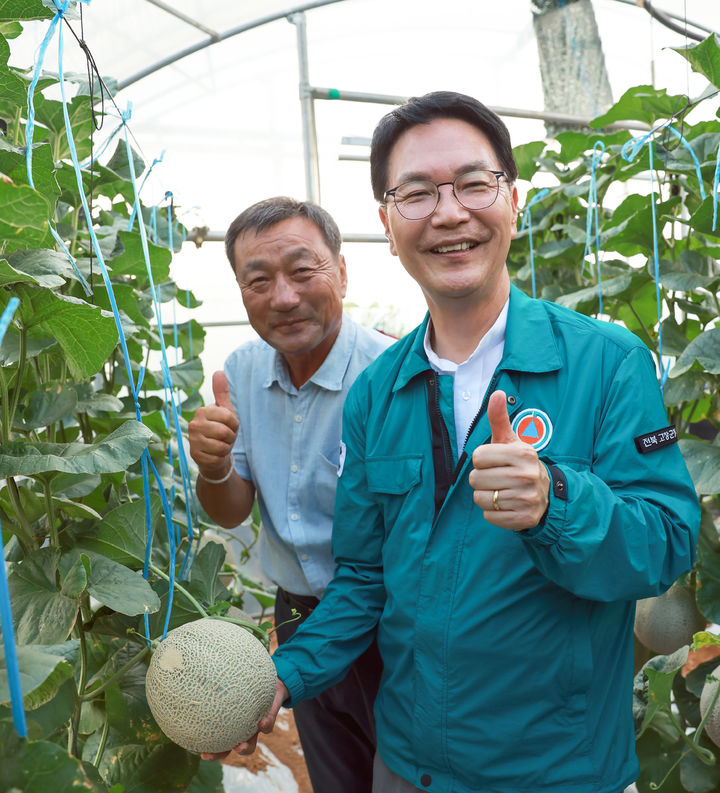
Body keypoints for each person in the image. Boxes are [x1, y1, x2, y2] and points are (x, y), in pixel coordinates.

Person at [227, 93, 701, 793]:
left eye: (474, 184)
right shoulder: (378, 391)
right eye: (416, 194)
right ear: (388, 226)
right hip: (408, 765)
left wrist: (555, 502)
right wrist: (282, 675)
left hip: (560, 773)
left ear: (513, 202)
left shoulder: (607, 362)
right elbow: (363, 578)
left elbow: (667, 543)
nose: (449, 213)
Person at [188, 196, 393, 793]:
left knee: (405, 772)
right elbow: (231, 508)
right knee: (335, 771)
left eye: (304, 272)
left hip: (390, 617)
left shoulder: (390, 374)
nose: (283, 296)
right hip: (298, 613)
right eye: (259, 280)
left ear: (342, 271)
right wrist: (215, 465)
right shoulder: (243, 370)